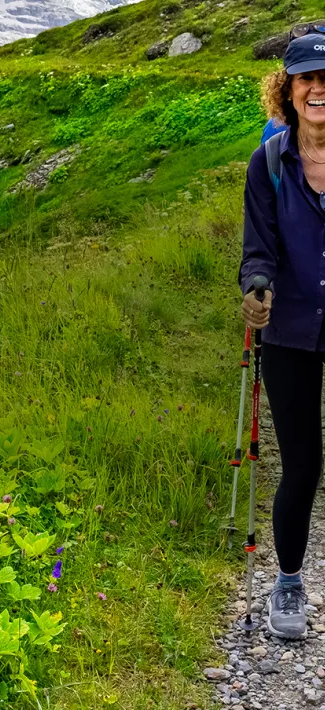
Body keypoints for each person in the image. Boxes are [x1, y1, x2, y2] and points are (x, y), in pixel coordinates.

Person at [239, 26, 325, 639]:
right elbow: (258, 247)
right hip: (290, 331)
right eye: (307, 80)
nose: (318, 89)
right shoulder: (268, 162)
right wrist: (256, 287)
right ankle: (289, 584)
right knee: (302, 465)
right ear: (288, 90)